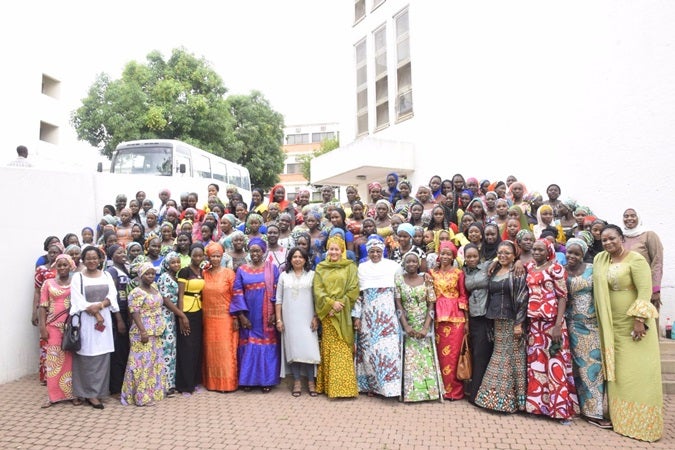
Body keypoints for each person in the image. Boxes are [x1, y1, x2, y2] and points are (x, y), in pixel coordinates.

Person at [593, 224, 662, 442]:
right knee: (618, 372)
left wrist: (639, 320)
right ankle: (620, 419)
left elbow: (644, 291)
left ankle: (642, 423)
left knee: (638, 372)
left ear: (622, 238)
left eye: (612, 238)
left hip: (633, 326)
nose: (608, 243)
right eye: (604, 240)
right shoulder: (601, 260)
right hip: (611, 325)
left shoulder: (636, 260)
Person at [525, 239, 578, 422]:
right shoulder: (530, 267)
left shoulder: (556, 269)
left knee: (555, 365)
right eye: (534, 249)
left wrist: (558, 325)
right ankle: (539, 407)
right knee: (537, 365)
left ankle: (560, 410)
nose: (537, 252)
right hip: (535, 324)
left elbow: (562, 297)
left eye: (541, 249)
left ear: (549, 252)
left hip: (552, 324)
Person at [474, 241, 528, 413]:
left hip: (512, 321)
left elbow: (522, 298)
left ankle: (507, 402)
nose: (503, 255)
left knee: (511, 358)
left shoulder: (517, 272)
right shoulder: (495, 270)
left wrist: (519, 323)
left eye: (507, 253)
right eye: (500, 252)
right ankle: (499, 400)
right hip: (496, 320)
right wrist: (495, 262)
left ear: (514, 255)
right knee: (502, 356)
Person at [70, 246, 123, 409]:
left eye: (95, 258)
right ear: (83, 260)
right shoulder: (77, 277)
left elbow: (112, 296)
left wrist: (100, 306)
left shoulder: (106, 275)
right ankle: (88, 394)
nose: (92, 261)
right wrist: (96, 313)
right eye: (88, 258)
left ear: (101, 259)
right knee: (86, 355)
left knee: (102, 355)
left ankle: (99, 391)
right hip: (86, 321)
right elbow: (77, 301)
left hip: (104, 321)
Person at [564, 238, 610, 428]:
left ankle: (595, 411)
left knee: (593, 369)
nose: (572, 256)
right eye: (569, 252)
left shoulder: (592, 269)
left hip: (591, 327)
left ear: (583, 254)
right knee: (575, 369)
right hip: (570, 325)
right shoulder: (562, 270)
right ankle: (578, 408)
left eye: (576, 253)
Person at [354, 235, 402, 398]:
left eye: (378, 251)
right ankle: (372, 387)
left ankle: (390, 388)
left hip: (388, 316)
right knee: (370, 353)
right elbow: (359, 296)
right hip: (368, 317)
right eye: (372, 251)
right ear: (368, 252)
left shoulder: (393, 266)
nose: (375, 254)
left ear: (383, 251)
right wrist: (358, 317)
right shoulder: (362, 268)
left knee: (388, 351)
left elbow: (399, 292)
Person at [230, 238, 280, 392]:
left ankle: (266, 381)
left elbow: (277, 292)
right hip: (248, 313)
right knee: (249, 345)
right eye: (252, 251)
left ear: (264, 252)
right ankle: (247, 381)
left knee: (266, 345)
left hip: (266, 315)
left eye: (258, 250)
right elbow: (237, 292)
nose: (255, 253)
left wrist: (274, 313)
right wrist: (241, 316)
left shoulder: (272, 269)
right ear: (249, 252)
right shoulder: (242, 270)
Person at [313, 235, 360, 398]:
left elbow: (354, 288)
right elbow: (318, 290)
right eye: (330, 249)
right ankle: (328, 387)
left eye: (336, 249)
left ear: (342, 251)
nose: (333, 252)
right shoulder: (320, 267)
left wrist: (340, 304)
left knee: (342, 348)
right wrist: (330, 304)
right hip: (328, 315)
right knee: (329, 349)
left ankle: (344, 389)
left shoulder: (350, 267)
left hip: (343, 313)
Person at [394, 252, 443, 402]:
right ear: (404, 264)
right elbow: (398, 304)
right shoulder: (399, 281)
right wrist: (406, 326)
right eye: (408, 262)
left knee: (426, 356)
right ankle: (411, 393)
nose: (411, 264)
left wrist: (426, 327)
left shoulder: (426, 280)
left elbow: (431, 304)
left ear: (418, 263)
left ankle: (431, 392)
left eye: (414, 262)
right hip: (408, 324)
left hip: (423, 323)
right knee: (410, 358)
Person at [276, 247, 321, 397]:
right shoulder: (284, 276)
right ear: (289, 259)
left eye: (300, 257)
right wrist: (279, 319)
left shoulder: (312, 275)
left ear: (305, 259)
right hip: (290, 319)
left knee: (309, 350)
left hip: (308, 318)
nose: (297, 259)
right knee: (294, 350)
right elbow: (279, 300)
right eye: (294, 257)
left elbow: (317, 299)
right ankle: (296, 381)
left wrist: (316, 317)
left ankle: (310, 382)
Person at [120, 263, 166, 406]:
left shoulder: (155, 288)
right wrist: (142, 331)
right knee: (140, 363)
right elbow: (134, 312)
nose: (151, 276)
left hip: (156, 331)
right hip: (142, 331)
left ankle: (152, 393)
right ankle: (139, 396)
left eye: (152, 273)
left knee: (153, 363)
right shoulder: (136, 292)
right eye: (147, 273)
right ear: (140, 275)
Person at [38, 254, 79, 407]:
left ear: (70, 266)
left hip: (71, 327)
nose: (62, 268)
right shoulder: (48, 283)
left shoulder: (75, 282)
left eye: (65, 265)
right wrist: (42, 327)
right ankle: (53, 396)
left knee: (71, 360)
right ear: (55, 266)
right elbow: (42, 306)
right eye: (59, 265)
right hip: (53, 326)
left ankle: (72, 394)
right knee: (53, 362)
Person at [428, 241, 467, 400]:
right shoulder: (431, 273)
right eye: (442, 253)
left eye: (448, 254)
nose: (445, 256)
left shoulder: (458, 273)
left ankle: (454, 391)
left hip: (456, 319)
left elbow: (463, 295)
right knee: (439, 355)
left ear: (453, 257)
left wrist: (467, 321)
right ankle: (440, 388)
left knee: (453, 356)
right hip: (437, 318)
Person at [201, 242, 238, 392]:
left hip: (225, 317)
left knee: (225, 351)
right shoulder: (204, 273)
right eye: (212, 256)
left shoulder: (229, 273)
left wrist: (236, 317)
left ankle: (227, 384)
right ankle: (212, 383)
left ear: (222, 257)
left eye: (218, 256)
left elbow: (236, 296)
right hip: (208, 318)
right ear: (208, 257)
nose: (215, 259)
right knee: (210, 351)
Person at [462, 243, 493, 404]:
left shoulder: (487, 266)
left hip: (488, 315)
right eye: (468, 257)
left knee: (484, 354)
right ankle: (474, 392)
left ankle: (478, 394)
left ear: (479, 256)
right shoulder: (464, 271)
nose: (471, 259)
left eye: (474, 256)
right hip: (474, 316)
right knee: (477, 354)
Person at [621, 208, 664, 321]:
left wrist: (655, 289)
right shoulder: (621, 237)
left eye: (633, 215)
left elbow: (657, 262)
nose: (629, 218)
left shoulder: (649, 235)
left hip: (646, 287)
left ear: (638, 218)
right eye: (626, 216)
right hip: (626, 289)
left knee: (648, 322)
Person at [176, 243, 206, 395]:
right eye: (195, 255)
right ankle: (184, 385)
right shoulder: (184, 271)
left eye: (200, 255)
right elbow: (180, 295)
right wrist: (182, 317)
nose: (197, 258)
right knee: (186, 348)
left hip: (198, 311)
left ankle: (194, 382)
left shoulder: (202, 271)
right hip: (186, 311)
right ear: (190, 255)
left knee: (196, 348)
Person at [157, 252, 185, 395]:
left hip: (173, 316)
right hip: (166, 315)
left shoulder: (176, 277)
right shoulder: (164, 277)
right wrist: (181, 315)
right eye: (173, 262)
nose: (176, 265)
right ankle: (164, 385)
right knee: (166, 349)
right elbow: (166, 300)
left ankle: (170, 383)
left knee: (171, 349)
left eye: (178, 262)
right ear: (168, 264)